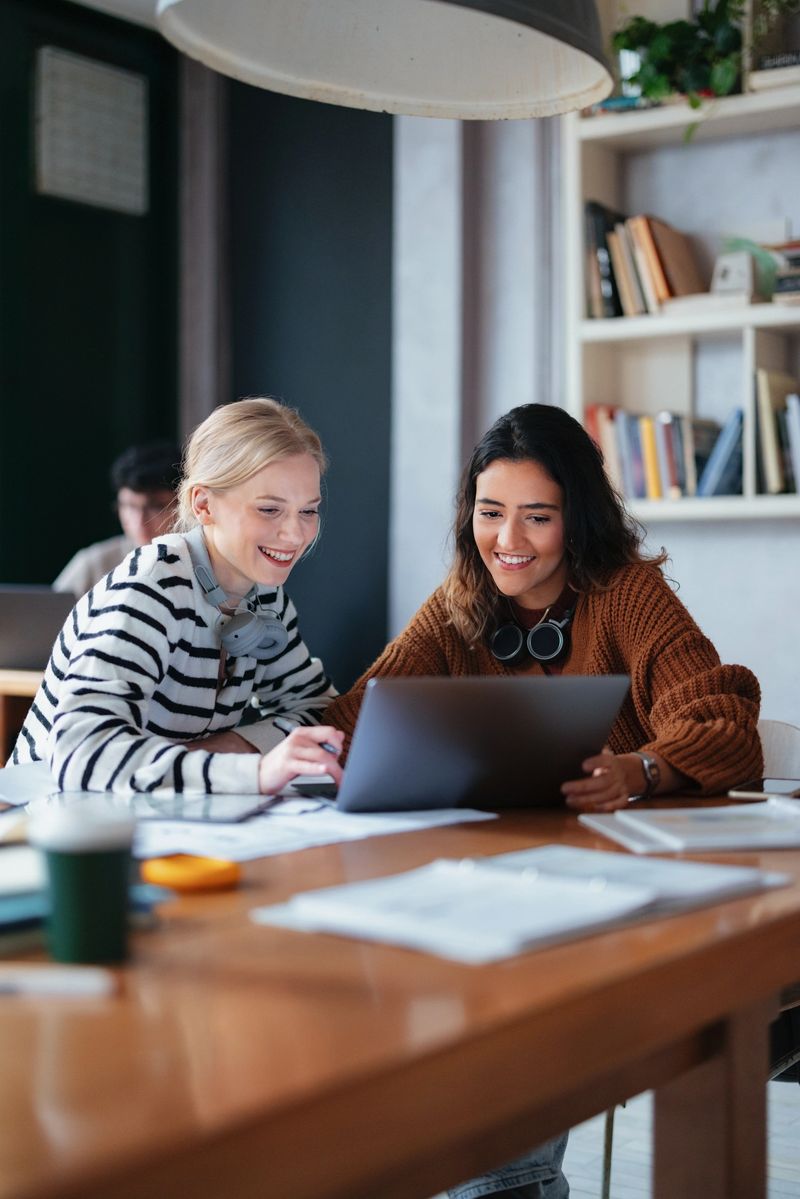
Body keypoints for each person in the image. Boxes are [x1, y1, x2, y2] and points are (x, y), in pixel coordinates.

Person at [324, 402, 762, 1199]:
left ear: (578, 518)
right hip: (495, 876)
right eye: (491, 513)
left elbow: (723, 721)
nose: (510, 541)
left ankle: (507, 1184)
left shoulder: (627, 592)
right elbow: (360, 715)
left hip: (626, 894)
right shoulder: (458, 601)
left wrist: (642, 769)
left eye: (538, 517)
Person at [14, 398, 343, 797]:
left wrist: (226, 750)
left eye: (308, 511)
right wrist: (251, 772)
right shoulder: (152, 585)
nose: (295, 535)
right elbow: (83, 753)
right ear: (203, 505)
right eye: (270, 509)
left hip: (162, 818)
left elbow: (321, 712)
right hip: (49, 823)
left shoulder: (266, 596)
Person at [53, 440, 182, 597]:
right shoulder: (96, 564)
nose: (140, 521)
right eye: (130, 506)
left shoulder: (203, 562)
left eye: (156, 507)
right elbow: (48, 614)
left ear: (184, 505)